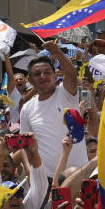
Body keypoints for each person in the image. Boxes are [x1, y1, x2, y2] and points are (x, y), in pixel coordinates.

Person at [18, 43, 88, 173]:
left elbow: (71, 76)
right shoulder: (27, 108)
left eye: (47, 72)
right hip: (46, 181)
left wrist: (58, 53)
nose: (43, 76)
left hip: (78, 175)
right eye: (37, 74)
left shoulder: (66, 93)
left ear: (55, 75)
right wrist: (30, 173)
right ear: (30, 80)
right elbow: (24, 145)